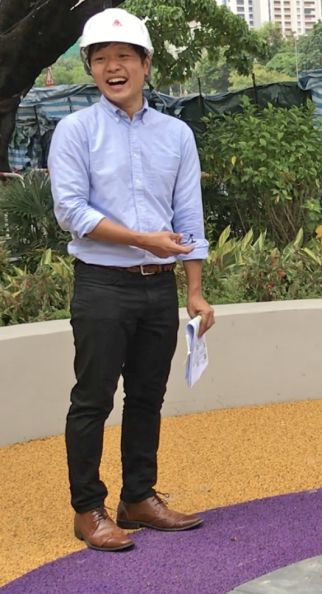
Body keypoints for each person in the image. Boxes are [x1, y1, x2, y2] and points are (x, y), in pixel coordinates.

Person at [49, 8, 214, 552]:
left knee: (147, 396)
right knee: (93, 399)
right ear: (90, 69)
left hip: (158, 287)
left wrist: (194, 291)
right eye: (101, 59)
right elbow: (71, 212)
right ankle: (88, 509)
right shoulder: (76, 130)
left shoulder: (176, 134)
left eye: (124, 56)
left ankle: (138, 497)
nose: (112, 67)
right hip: (101, 284)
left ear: (145, 64)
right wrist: (143, 239)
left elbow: (189, 216)